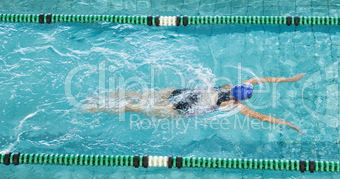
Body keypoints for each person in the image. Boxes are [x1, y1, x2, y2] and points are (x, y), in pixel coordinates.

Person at [85, 73, 306, 133]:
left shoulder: (232, 86)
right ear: (245, 97)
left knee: (141, 94)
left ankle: (103, 96)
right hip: (184, 108)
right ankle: (95, 107)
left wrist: (289, 79)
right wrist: (289, 124)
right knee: (136, 107)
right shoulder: (236, 106)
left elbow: (263, 79)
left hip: (181, 93)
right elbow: (264, 118)